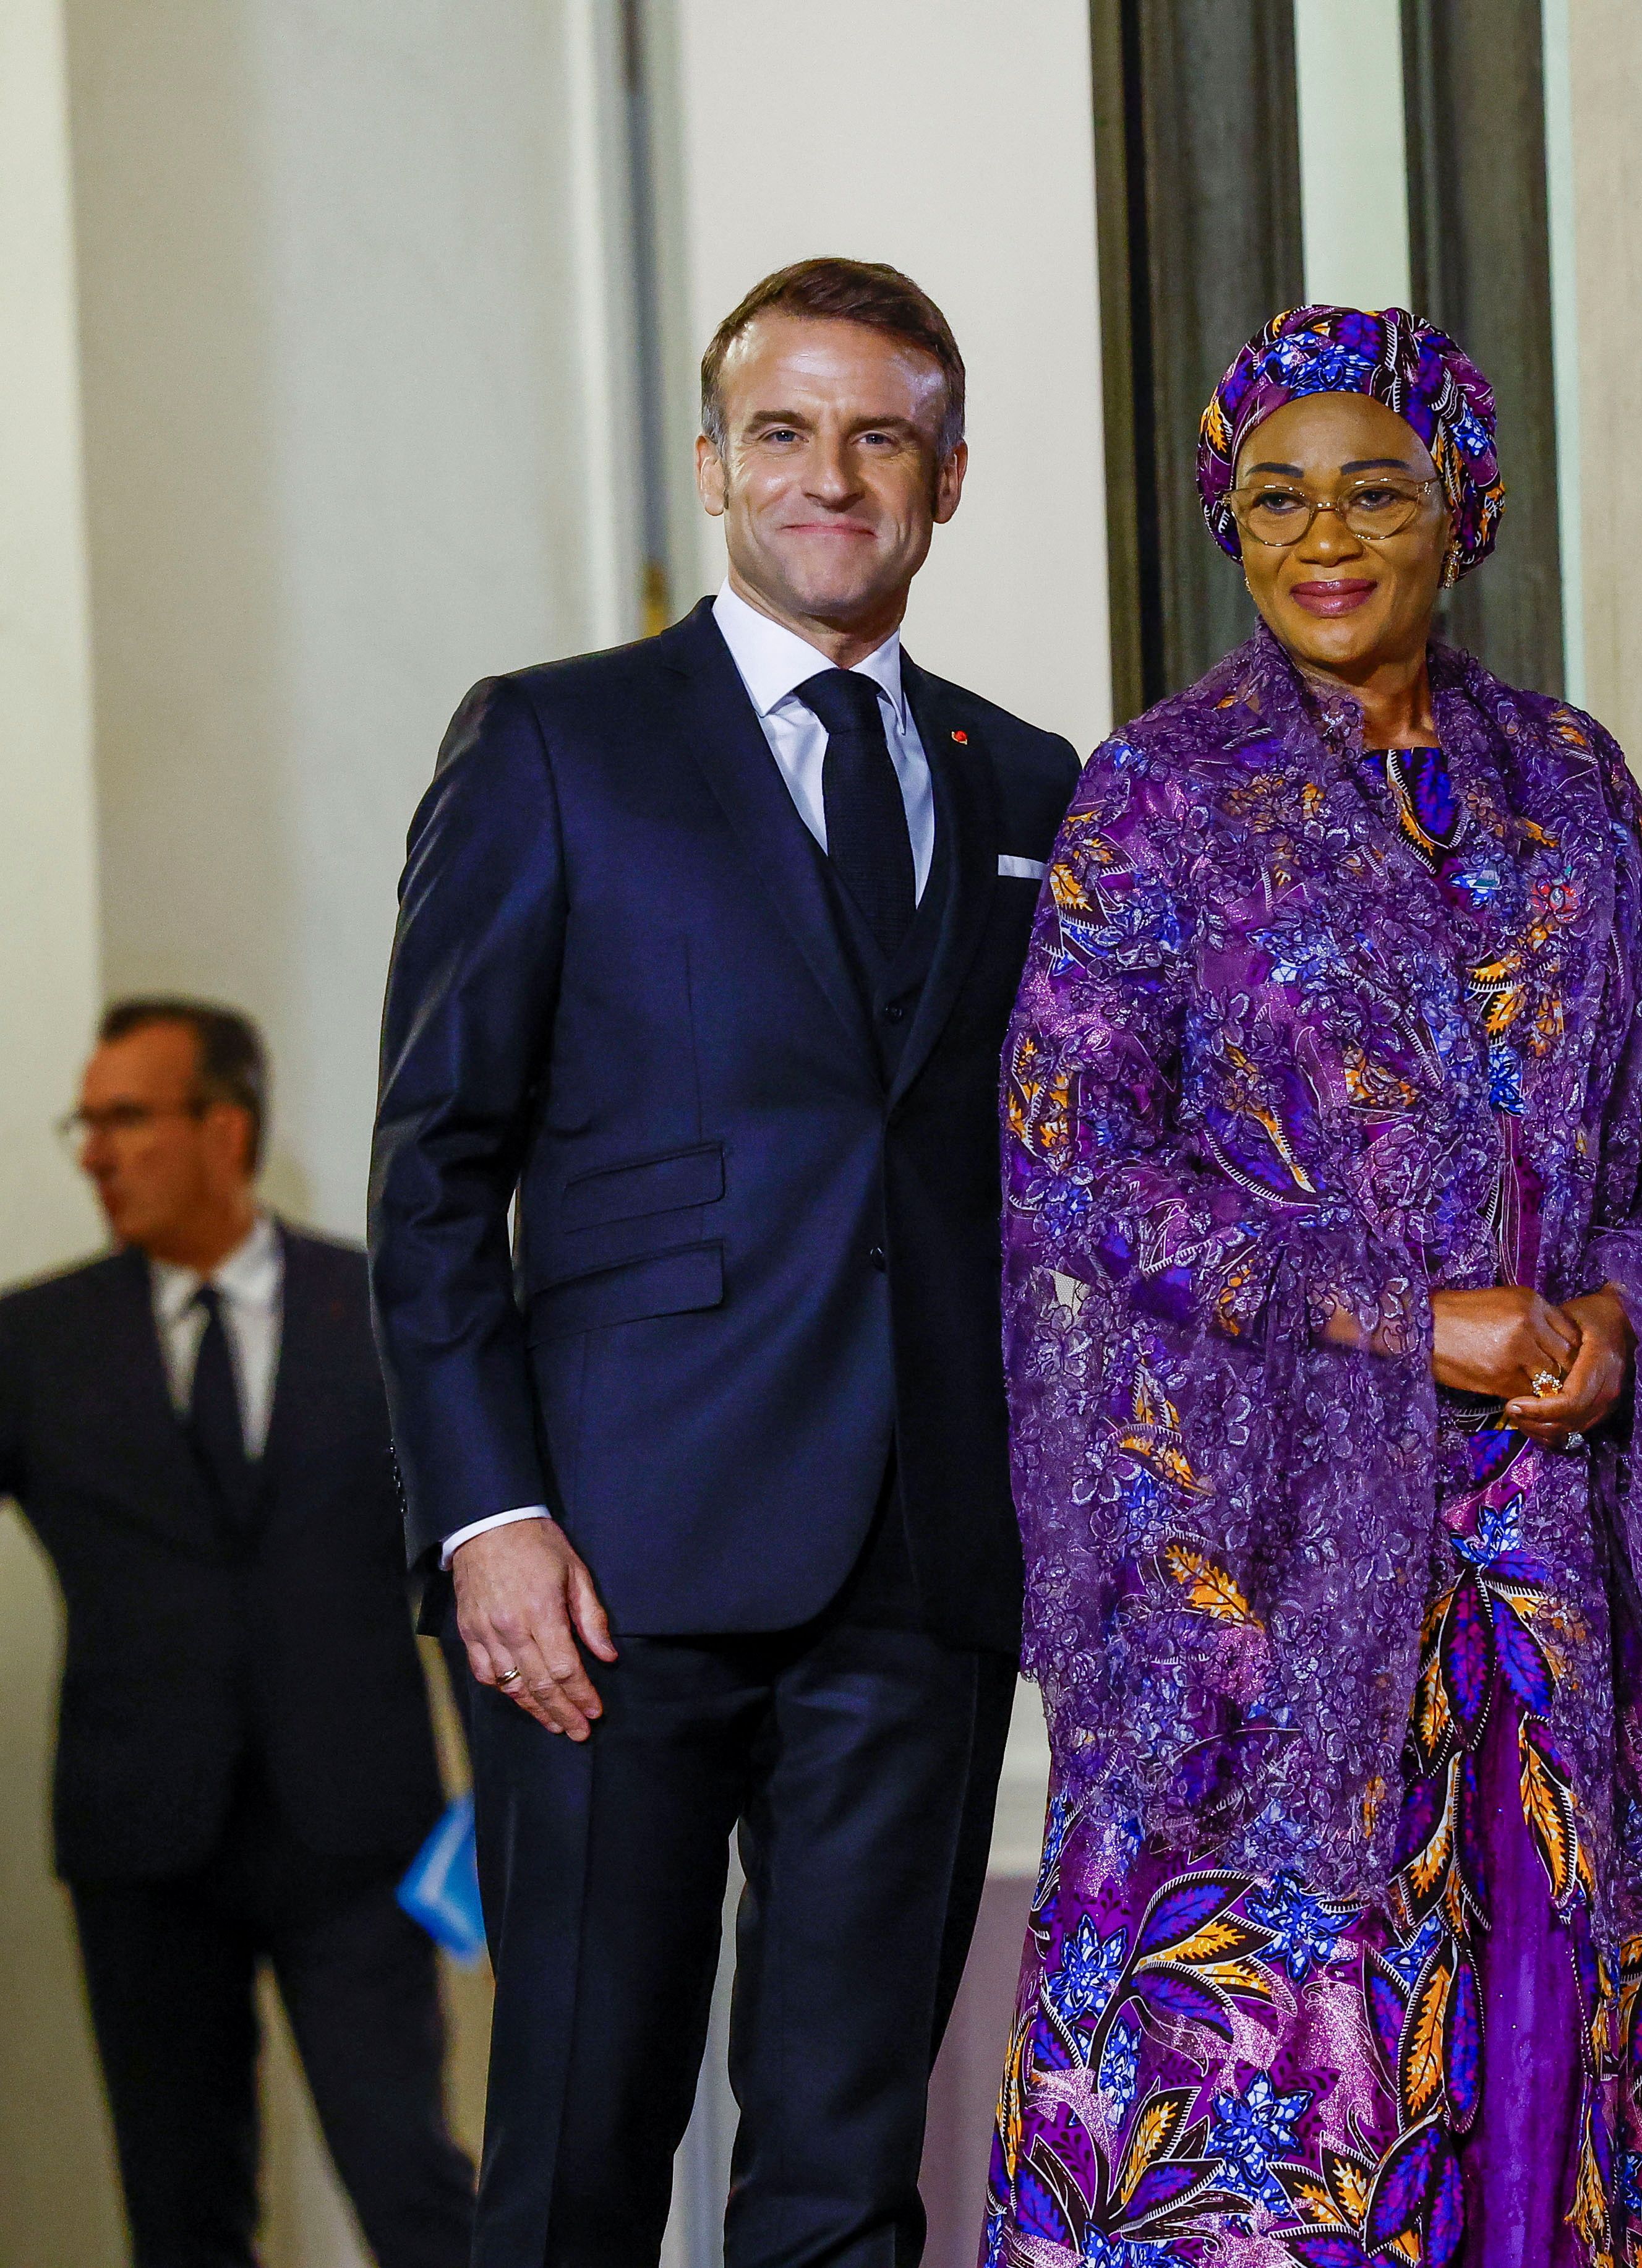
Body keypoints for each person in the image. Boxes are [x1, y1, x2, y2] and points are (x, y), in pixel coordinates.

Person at [985, 304, 1642, 2268]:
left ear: (1464, 507)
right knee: (1291, 2070)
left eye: (1373, 489)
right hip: (1269, 1580)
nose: (1322, 537)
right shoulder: (1159, 797)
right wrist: (1395, 1317)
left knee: (1550, 2033)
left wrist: (1619, 1321)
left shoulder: (1575, 784)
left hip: (1551, 1563)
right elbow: (1069, 1159)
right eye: (1272, 499)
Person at [370, 258, 1081, 2266]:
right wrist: (488, 1517)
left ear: (947, 475)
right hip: (608, 1573)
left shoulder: (1033, 785)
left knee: (848, 2174)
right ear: (713, 462)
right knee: (580, 2147)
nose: (831, 474)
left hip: (927, 1568)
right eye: (785, 429)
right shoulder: (555, 744)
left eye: (881, 434)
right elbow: (435, 1173)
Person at [1, 1000, 474, 2268]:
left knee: (412, 2182)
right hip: (142, 1845)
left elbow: (477, 1552)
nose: (96, 1152)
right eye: (84, 1125)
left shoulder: (380, 1307)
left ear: (226, 1128)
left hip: (359, 1841)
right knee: (180, 2211)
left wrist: (517, 1802)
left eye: (127, 1118)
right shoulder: (33, 1343)